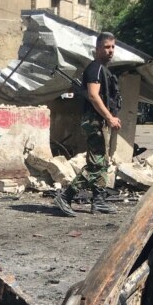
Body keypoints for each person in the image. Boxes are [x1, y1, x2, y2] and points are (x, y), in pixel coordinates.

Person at [55, 32, 122, 217]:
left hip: (99, 121)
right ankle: (66, 196)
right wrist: (109, 117)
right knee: (96, 163)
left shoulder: (102, 69)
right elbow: (93, 96)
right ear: (98, 49)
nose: (110, 51)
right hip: (95, 121)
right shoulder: (95, 69)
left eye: (113, 47)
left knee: (102, 162)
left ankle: (98, 201)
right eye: (107, 47)